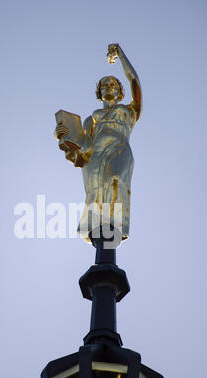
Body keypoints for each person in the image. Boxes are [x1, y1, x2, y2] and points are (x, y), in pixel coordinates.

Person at [55, 44, 142, 247]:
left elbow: (135, 81)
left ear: (120, 91)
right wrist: (63, 136)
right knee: (95, 192)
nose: (108, 86)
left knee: (117, 180)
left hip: (120, 151)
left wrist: (120, 55)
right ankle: (98, 234)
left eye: (113, 84)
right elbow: (84, 147)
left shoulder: (129, 112)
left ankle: (115, 228)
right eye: (104, 85)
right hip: (96, 157)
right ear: (99, 93)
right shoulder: (92, 118)